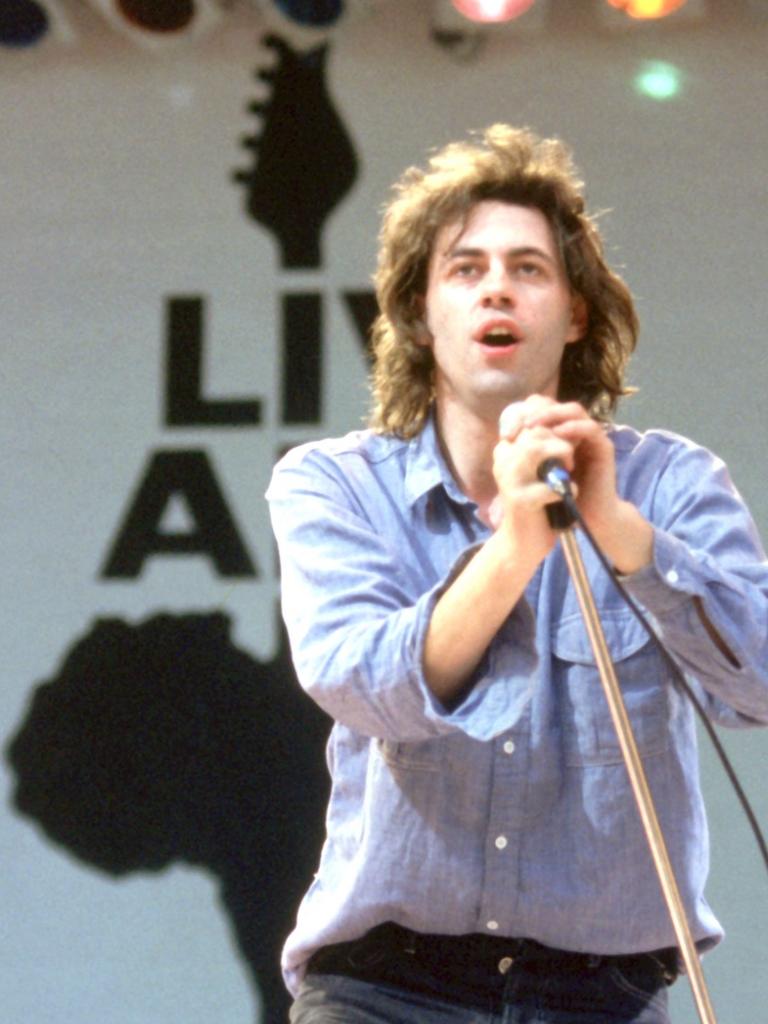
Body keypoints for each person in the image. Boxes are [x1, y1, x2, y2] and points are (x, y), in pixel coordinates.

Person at [266, 124, 768, 1023]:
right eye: (465, 268)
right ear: (420, 314)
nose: (498, 284)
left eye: (530, 268)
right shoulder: (334, 484)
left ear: (576, 312)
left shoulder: (673, 484)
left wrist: (614, 526)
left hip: (602, 997)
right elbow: (359, 682)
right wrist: (515, 545)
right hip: (385, 989)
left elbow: (762, 682)